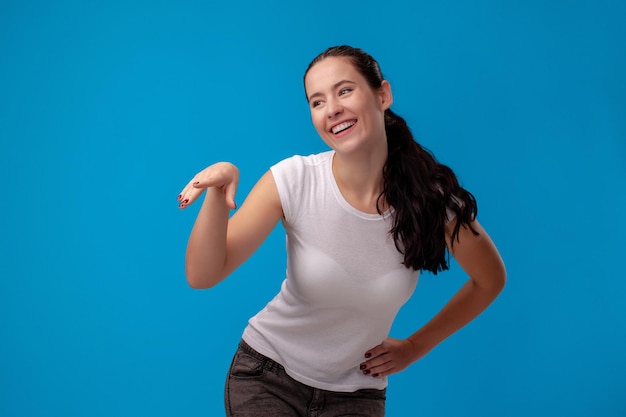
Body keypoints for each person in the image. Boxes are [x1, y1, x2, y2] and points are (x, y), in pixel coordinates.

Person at [177, 45, 506, 417]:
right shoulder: (294, 180)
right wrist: (219, 193)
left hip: (357, 395)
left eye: (344, 90)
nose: (331, 108)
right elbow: (203, 274)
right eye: (317, 102)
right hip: (268, 376)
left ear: (383, 95)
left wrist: (415, 347)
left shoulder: (432, 201)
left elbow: (490, 279)